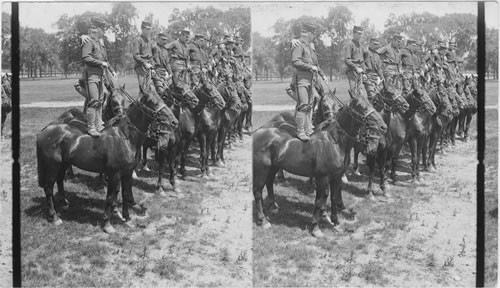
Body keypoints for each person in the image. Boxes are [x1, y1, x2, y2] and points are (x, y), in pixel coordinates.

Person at [81, 17, 111, 137]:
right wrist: (101, 63)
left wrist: (109, 68)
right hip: (91, 75)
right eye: (102, 29)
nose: (103, 31)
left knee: (99, 101)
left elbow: (104, 58)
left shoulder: (99, 42)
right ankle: (91, 127)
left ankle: (98, 123)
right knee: (93, 101)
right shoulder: (89, 41)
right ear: (98, 29)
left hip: (100, 75)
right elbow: (86, 58)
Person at [291, 22, 321, 142]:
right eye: (312, 34)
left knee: (309, 105)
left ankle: (308, 129)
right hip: (301, 79)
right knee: (303, 105)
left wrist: (320, 73)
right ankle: (300, 131)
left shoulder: (309, 47)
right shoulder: (299, 45)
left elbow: (315, 63)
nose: (313, 36)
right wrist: (310, 67)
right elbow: (295, 61)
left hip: (310, 80)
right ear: (308, 33)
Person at [132, 21, 155, 96]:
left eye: (150, 29)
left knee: (149, 88)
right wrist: (145, 63)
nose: (148, 31)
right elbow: (136, 55)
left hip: (148, 66)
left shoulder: (149, 41)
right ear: (142, 29)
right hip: (140, 66)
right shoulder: (138, 40)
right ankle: (139, 105)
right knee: (143, 89)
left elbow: (150, 56)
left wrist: (153, 68)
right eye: (147, 29)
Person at [343, 26, 365, 93]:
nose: (360, 36)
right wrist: (356, 67)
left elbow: (362, 61)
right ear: (354, 33)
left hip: (360, 72)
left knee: (360, 93)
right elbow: (347, 60)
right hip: (352, 71)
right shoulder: (349, 44)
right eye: (358, 34)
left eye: (361, 34)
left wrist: (364, 73)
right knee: (353, 93)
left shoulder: (361, 46)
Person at [362, 37, 384, 102]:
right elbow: (361, 63)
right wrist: (363, 74)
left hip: (376, 77)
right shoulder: (365, 52)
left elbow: (379, 68)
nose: (376, 46)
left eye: (377, 44)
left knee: (381, 96)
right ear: (370, 44)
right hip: (368, 76)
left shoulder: (377, 55)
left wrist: (382, 78)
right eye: (374, 44)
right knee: (372, 96)